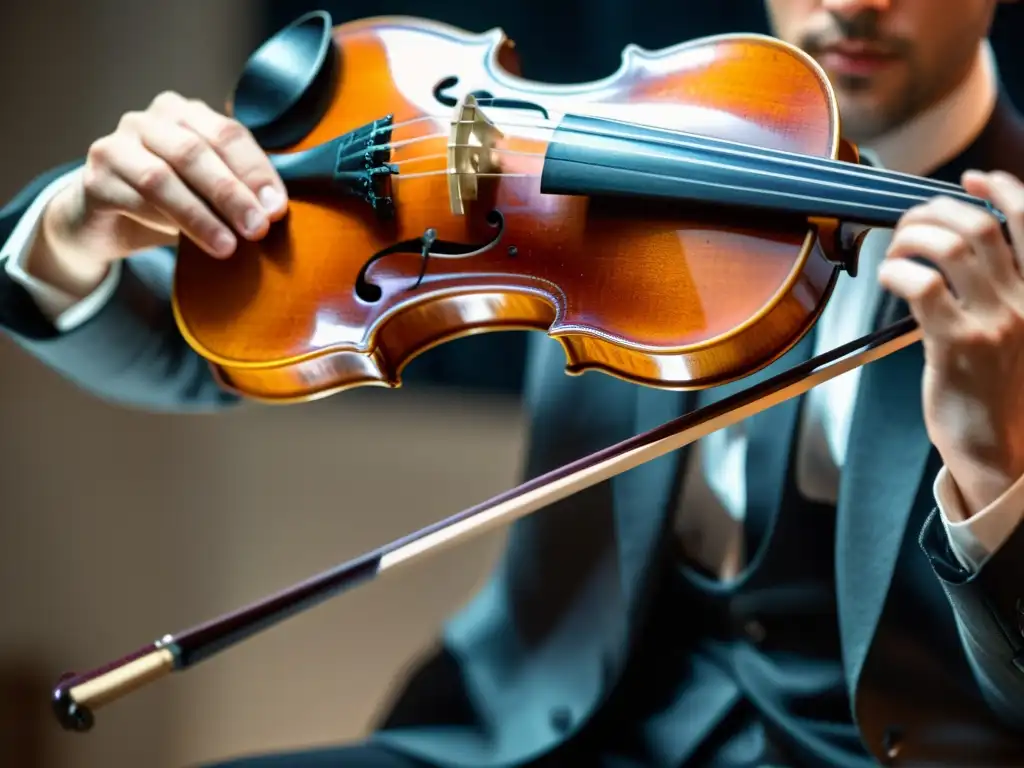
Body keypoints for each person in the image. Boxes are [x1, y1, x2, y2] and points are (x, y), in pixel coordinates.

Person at [3, 0, 1024, 765]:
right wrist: (73, 227)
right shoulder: (647, 123)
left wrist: (993, 464)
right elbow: (214, 345)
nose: (851, 1)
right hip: (529, 737)